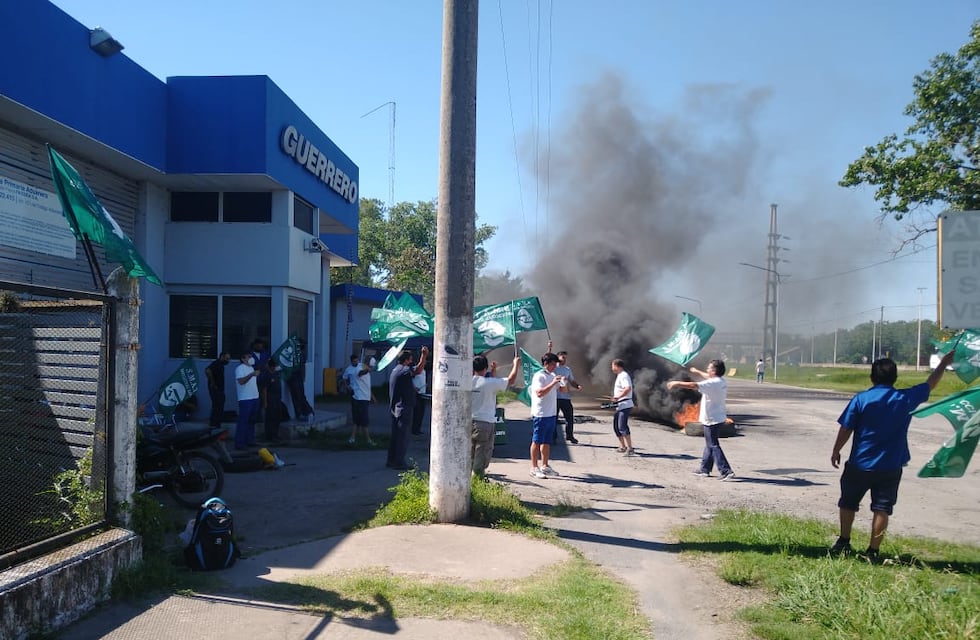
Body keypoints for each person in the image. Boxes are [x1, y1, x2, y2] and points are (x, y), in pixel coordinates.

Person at [829, 351, 955, 561]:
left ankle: (844, 541)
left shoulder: (861, 399)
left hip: (860, 463)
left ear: (872, 377)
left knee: (848, 503)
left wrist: (836, 449)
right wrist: (943, 363)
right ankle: (873, 551)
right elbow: (930, 384)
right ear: (895, 378)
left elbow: (846, 428)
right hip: (890, 466)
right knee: (882, 508)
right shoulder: (904, 398)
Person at [667, 359, 735, 480]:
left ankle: (726, 471)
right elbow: (706, 376)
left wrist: (676, 383)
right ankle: (705, 469)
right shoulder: (720, 381)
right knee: (709, 444)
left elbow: (693, 385)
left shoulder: (712, 383)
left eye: (709, 368)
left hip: (712, 419)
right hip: (717, 417)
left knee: (713, 445)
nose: (707, 370)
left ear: (714, 371)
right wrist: (697, 371)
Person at [472, 354, 520, 477]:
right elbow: (511, 380)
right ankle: (478, 478)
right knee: (482, 451)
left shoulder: (467, 381)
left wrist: (493, 371)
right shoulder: (490, 383)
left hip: (469, 421)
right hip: (485, 422)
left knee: (470, 451)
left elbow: (491, 385)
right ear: (485, 368)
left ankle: (468, 477)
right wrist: (516, 365)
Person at [387, 346, 428, 470]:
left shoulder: (396, 370)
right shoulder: (404, 371)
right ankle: (399, 462)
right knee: (402, 437)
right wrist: (424, 355)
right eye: (410, 360)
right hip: (403, 409)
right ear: (406, 360)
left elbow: (404, 386)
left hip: (396, 409)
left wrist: (412, 389)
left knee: (395, 436)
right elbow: (418, 370)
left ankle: (391, 460)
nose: (411, 362)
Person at [529, 352, 564, 479]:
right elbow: (539, 393)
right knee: (537, 440)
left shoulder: (553, 375)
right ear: (545, 364)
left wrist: (562, 384)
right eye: (553, 364)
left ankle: (545, 465)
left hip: (551, 413)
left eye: (556, 364)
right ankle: (534, 467)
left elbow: (562, 390)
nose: (555, 367)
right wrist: (553, 383)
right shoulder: (539, 376)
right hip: (540, 414)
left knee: (547, 441)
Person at [553, 346, 584, 444]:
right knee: (554, 418)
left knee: (569, 417)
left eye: (565, 357)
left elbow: (572, 381)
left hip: (565, 397)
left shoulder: (567, 369)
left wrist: (577, 386)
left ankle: (569, 436)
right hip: (555, 398)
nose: (565, 359)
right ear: (558, 357)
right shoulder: (553, 368)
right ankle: (553, 437)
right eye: (563, 357)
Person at [343, 354, 376, 446]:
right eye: (371, 366)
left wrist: (372, 396)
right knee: (362, 419)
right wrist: (347, 387)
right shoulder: (359, 368)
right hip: (358, 397)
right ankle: (367, 439)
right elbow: (360, 373)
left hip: (364, 397)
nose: (372, 368)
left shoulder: (363, 367)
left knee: (358, 419)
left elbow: (366, 385)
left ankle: (354, 437)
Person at [233, 352, 262, 450]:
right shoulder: (240, 368)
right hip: (245, 398)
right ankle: (239, 443)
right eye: (249, 357)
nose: (251, 358)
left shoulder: (251, 368)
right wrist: (251, 375)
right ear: (243, 358)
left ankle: (250, 440)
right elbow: (241, 381)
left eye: (251, 356)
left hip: (254, 397)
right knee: (243, 421)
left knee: (252, 421)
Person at [609, 359, 635, 455]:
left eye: (612, 366)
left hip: (625, 405)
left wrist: (618, 397)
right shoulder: (620, 375)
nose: (612, 368)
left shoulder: (624, 375)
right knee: (616, 426)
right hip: (620, 405)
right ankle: (622, 446)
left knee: (622, 426)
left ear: (617, 366)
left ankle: (630, 448)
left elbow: (627, 388)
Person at [287, 338, 314, 422]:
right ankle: (307, 412)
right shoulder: (300, 354)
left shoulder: (300, 354)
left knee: (298, 397)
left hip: (296, 377)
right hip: (296, 378)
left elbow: (296, 366)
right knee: (299, 396)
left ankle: (303, 413)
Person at [258, 358, 284, 443]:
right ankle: (270, 435)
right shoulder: (266, 375)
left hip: (277, 399)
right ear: (271, 367)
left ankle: (275, 434)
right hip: (270, 399)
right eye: (274, 366)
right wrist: (265, 402)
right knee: (270, 418)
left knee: (278, 417)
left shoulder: (276, 374)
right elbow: (264, 390)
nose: (276, 367)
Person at [205, 352, 231, 427]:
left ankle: (216, 424)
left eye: (229, 359)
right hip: (216, 389)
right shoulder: (217, 363)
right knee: (217, 407)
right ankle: (214, 425)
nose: (228, 361)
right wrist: (213, 383)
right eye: (227, 358)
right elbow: (207, 370)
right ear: (222, 357)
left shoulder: (221, 365)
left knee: (218, 407)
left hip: (219, 389)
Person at [411, 366, 429, 436]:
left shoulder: (424, 370)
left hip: (422, 393)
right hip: (416, 393)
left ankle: (418, 429)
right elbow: (410, 379)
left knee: (421, 412)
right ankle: (413, 429)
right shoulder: (415, 368)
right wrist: (414, 388)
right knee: (416, 412)